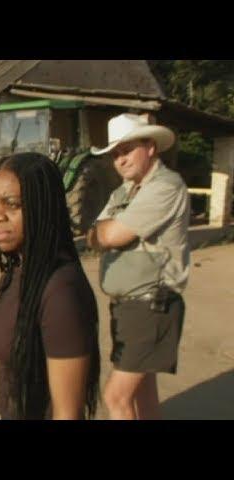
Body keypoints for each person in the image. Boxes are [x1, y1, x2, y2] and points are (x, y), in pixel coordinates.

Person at [86, 113, 190, 420]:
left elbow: (111, 233)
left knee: (116, 396)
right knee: (143, 392)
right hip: (130, 307)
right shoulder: (124, 191)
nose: (120, 159)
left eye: (127, 149)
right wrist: (104, 233)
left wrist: (107, 233)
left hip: (151, 305)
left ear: (150, 147)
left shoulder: (165, 186)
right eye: (116, 153)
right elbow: (95, 234)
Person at [0, 152, 100, 420]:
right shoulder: (16, 271)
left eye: (11, 204)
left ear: (42, 206)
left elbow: (67, 414)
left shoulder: (61, 291)